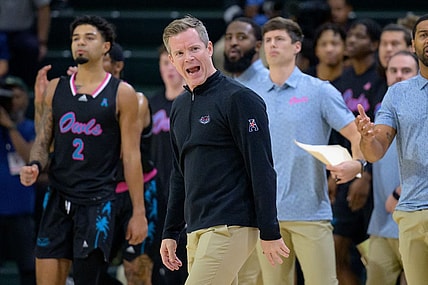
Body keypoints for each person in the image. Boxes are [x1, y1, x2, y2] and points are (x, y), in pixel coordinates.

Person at [159, 15, 290, 285]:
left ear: (208, 49)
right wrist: (170, 232)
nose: (188, 58)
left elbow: (262, 167)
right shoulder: (179, 106)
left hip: (232, 225)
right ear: (172, 60)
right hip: (196, 229)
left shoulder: (239, 99)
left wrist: (270, 231)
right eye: (179, 53)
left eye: (194, 49)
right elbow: (179, 175)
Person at [19, 15, 148, 285]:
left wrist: (138, 212)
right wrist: (34, 165)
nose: (80, 43)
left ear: (105, 47)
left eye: (89, 38)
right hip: (58, 196)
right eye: (76, 38)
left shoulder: (122, 93)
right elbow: (44, 140)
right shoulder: (56, 88)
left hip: (98, 201)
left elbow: (132, 157)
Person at [251, 16, 365, 285]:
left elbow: (356, 134)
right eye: (267, 40)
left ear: (297, 46)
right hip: (266, 216)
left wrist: (358, 165)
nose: (272, 45)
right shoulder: (249, 94)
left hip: (310, 212)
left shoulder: (319, 91)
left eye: (279, 39)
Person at [355, 14, 428, 285]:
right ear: (412, 44)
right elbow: (375, 151)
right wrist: (366, 137)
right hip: (411, 212)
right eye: (423, 34)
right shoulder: (397, 94)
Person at [329, 18, 382, 285]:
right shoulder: (340, 81)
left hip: (374, 175)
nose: (351, 40)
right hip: (345, 171)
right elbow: (337, 134)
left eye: (359, 36)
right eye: (349, 36)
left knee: (376, 254)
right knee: (336, 249)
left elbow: (382, 137)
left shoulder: (381, 80)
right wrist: (333, 174)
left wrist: (367, 174)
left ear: (374, 44)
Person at [365, 50, 418, 285]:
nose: (398, 76)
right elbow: (373, 155)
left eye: (406, 71)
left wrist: (399, 192)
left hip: (415, 219)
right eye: (393, 70)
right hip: (381, 224)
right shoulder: (381, 111)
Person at [223, 16, 267, 285]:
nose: (233, 44)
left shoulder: (268, 83)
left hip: (264, 196)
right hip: (234, 198)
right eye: (229, 38)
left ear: (258, 44)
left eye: (241, 37)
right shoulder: (223, 84)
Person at [149, 44, 187, 285]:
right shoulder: (151, 103)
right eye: (164, 63)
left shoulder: (191, 101)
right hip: (155, 190)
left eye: (172, 63)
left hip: (183, 189)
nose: (169, 70)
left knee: (182, 255)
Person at [0, 76, 36, 285]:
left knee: (28, 268)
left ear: (26, 99)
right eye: (7, 96)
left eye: (17, 95)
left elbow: (29, 156)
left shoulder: (29, 127)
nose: (12, 100)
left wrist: (10, 126)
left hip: (20, 210)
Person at [0, 0, 51, 87]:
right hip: (1, 33)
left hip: (23, 32)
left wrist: (42, 42)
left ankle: (27, 88)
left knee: (31, 47)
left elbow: (44, 8)